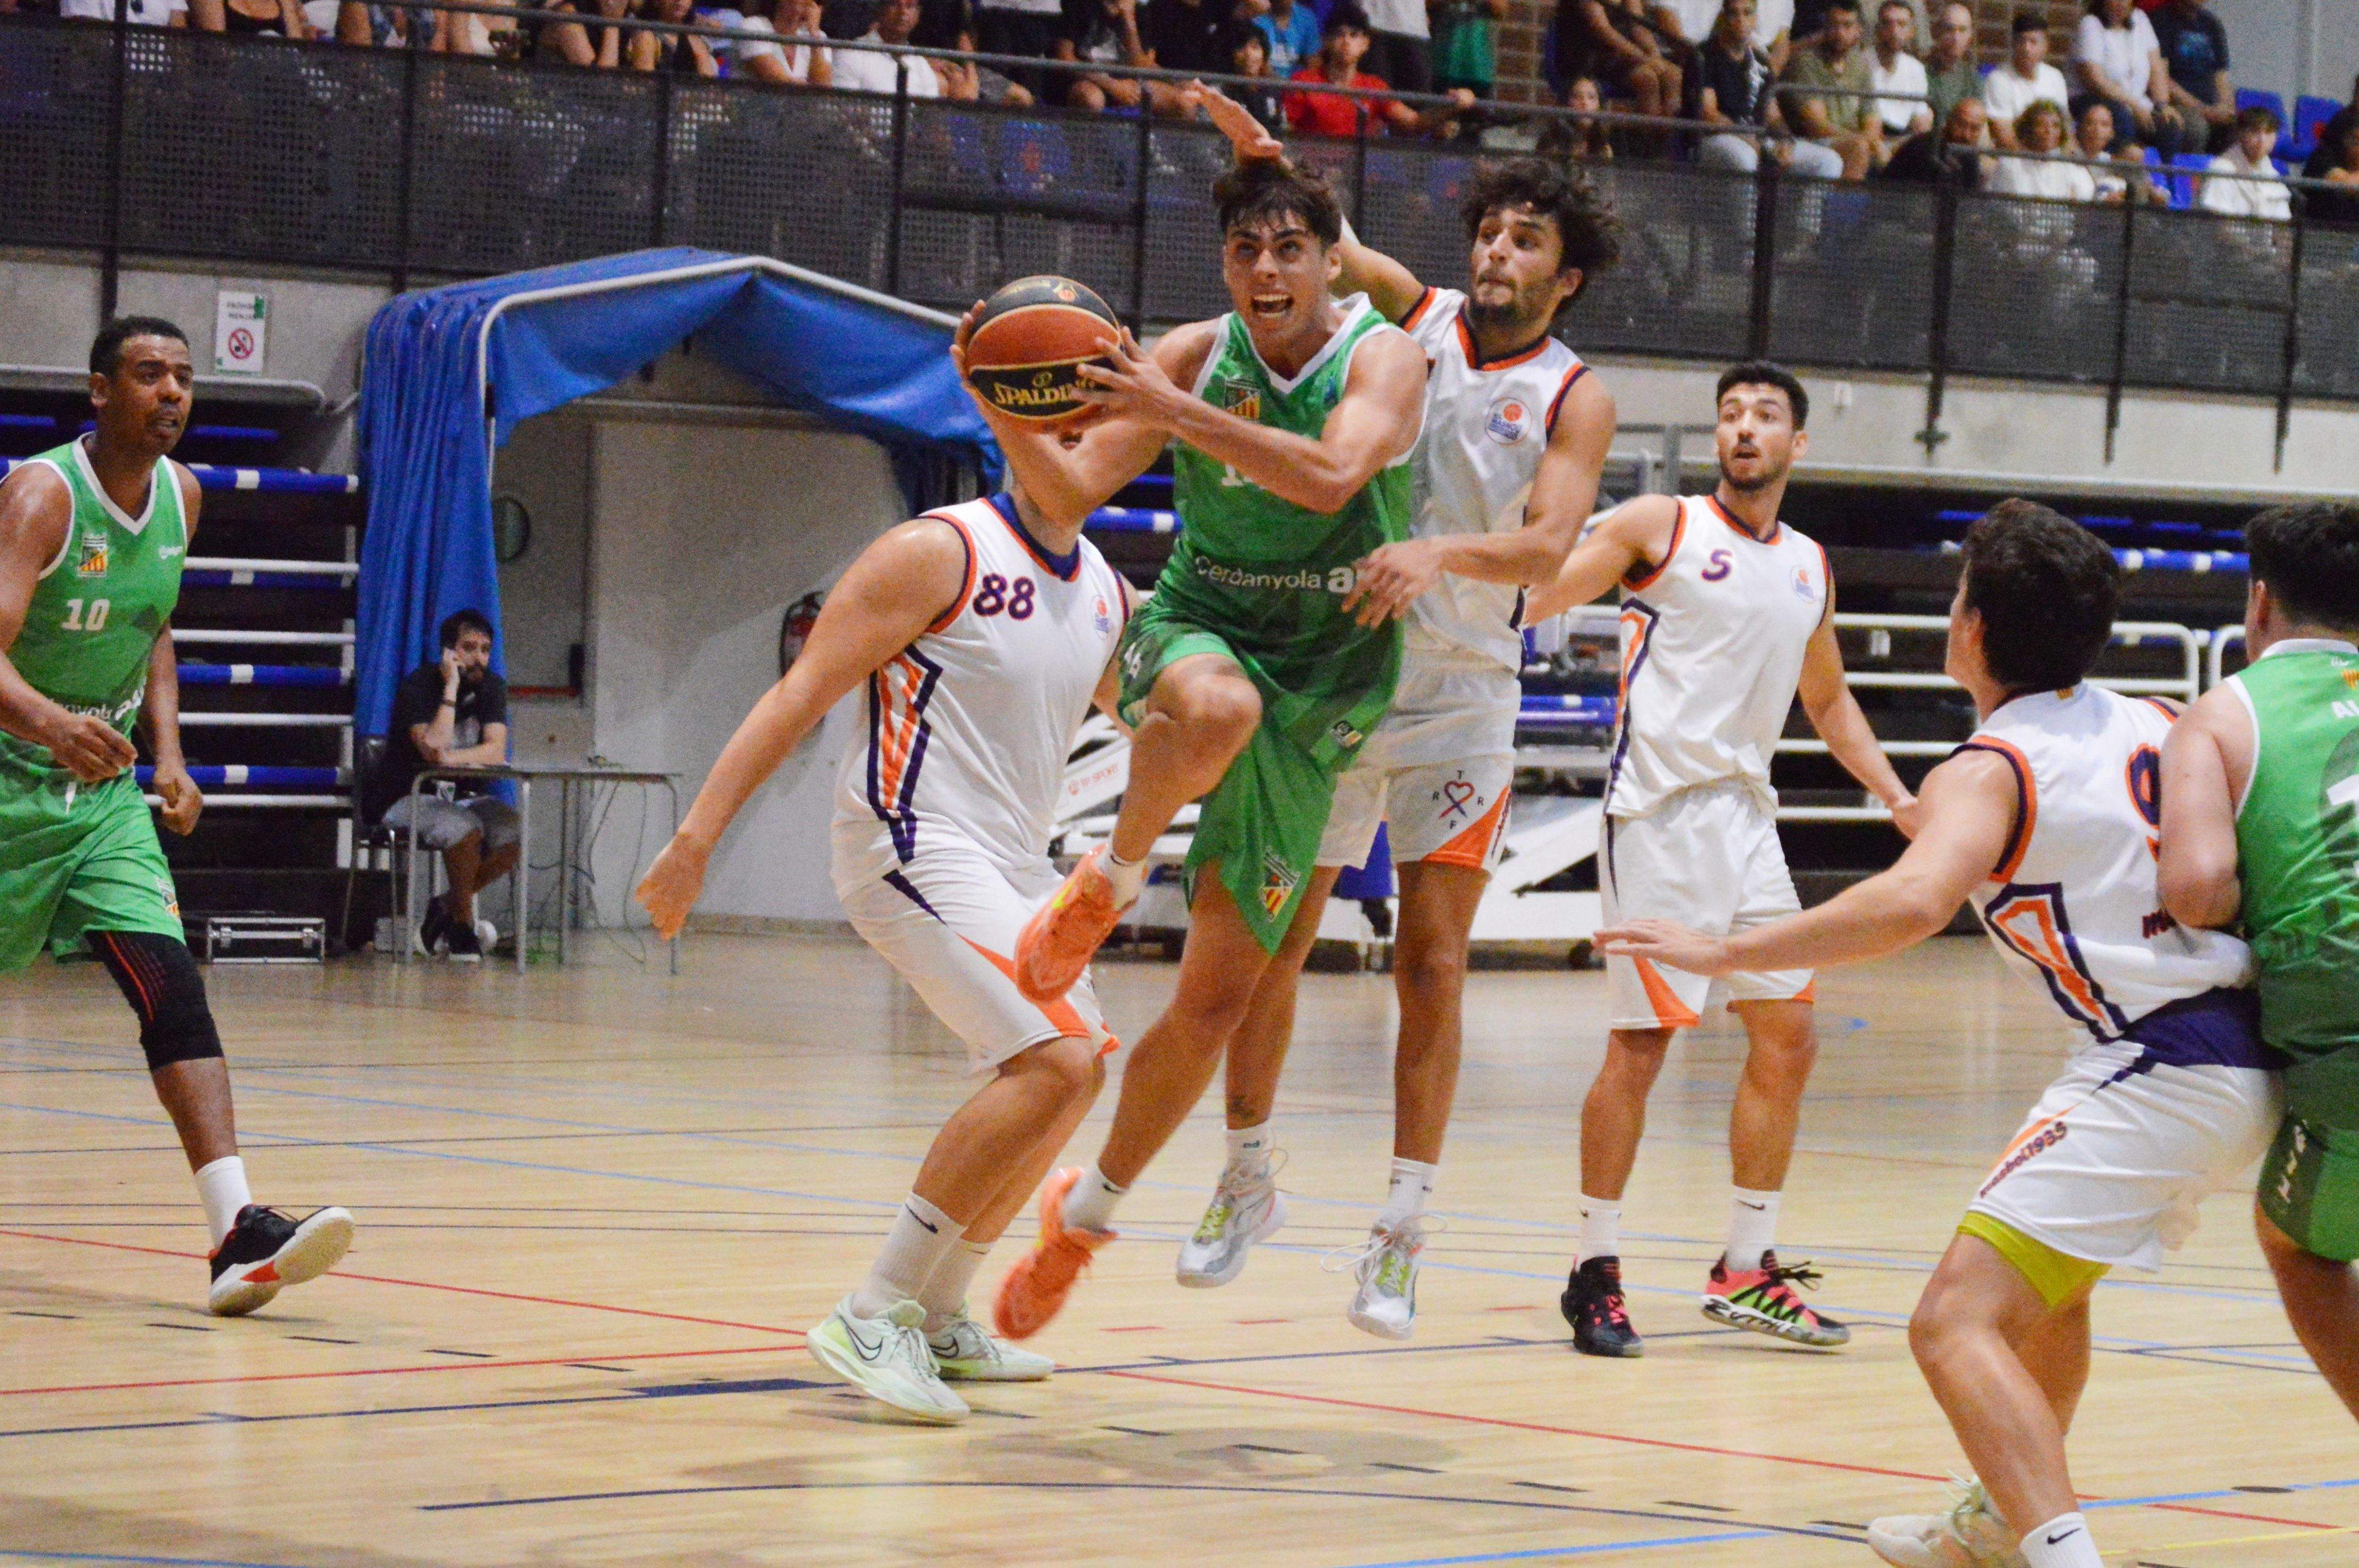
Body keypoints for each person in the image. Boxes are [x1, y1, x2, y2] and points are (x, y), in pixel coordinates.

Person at [1606, 500, 2279, 1568]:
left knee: (1950, 1322)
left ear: (1968, 628)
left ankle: (2062, 1558)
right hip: (2242, 1048)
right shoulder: (2160, 718)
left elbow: (1915, 900)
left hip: (2160, 1059)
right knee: (2046, 1295)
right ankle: (1995, 1525)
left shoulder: (1992, 765)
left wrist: (1723, 949)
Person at [977, 159, 1432, 1341]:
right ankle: (1114, 872)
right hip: (1200, 627)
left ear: (1332, 260)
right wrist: (1001, 408)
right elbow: (1069, 491)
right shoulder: (1187, 352)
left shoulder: (1384, 356)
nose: (1266, 268)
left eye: (1289, 248)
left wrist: (1170, 411)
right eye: (1245, 250)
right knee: (1217, 710)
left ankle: (1086, 1216)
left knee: (1222, 993)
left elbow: (1336, 473)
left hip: (1329, 674)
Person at [1196, 102, 1622, 1337]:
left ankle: (1401, 1228)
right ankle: (1246, 1172)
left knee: (1434, 967)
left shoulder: (1574, 394)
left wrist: (1437, 551)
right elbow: (1324, 240)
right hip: (1343, 670)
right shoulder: (1420, 318)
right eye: (1487, 232)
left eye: (1524, 239)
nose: (1495, 252)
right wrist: (1261, 158)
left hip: (1464, 698)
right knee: (1278, 943)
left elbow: (1548, 545)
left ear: (1566, 272)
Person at [636, 469, 1130, 1424]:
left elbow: (1151, 714)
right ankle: (873, 1309)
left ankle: (937, 1313)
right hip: (910, 842)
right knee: (1052, 1055)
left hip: (1018, 866)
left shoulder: (1103, 585)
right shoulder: (936, 551)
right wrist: (694, 843)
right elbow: (800, 694)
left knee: (1076, 1073)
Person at [1524, 362, 1920, 1358]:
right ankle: (1593, 1268)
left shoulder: (1808, 565)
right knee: (1642, 1046)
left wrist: (1898, 793)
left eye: (1766, 416)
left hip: (1748, 817)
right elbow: (1540, 594)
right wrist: (1504, 574)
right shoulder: (1661, 524)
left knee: (1787, 1034)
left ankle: (1747, 1267)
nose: (1744, 429)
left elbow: (1826, 702)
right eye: (1731, 415)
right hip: (1656, 813)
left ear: (1797, 444)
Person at [0, 318, 354, 1317]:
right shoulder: (40, 494)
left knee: (170, 983)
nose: (172, 393)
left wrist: (169, 754)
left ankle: (236, 1232)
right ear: (100, 391)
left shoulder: (183, 496)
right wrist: (47, 721)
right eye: (149, 374)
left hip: (102, 795)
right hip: (7, 772)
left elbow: (154, 630)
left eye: (185, 379)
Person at [2158, 502, 2359, 1427]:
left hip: (2344, 1033)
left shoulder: (2222, 713)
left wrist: (2268, 885)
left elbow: (2194, 889)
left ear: (2260, 601)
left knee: (2297, 1244)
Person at [370, 609, 518, 963]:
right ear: (448, 652)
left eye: (485, 649)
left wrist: (451, 759)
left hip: (458, 795)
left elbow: (496, 750)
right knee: (464, 830)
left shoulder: (492, 687)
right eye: (468, 648)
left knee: (512, 833)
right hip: (403, 794)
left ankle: (447, 906)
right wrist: (451, 689)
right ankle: (463, 925)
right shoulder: (419, 687)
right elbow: (433, 744)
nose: (478, 657)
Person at [1695, 0, 1843, 179]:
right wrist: (1748, 138)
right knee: (1745, 158)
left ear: (1755, 19)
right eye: (1734, 14)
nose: (1741, 20)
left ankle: (1794, 209)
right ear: (1722, 18)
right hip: (1717, 137)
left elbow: (1774, 116)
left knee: (1828, 161)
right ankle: (1744, 209)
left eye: (1747, 13)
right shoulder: (1704, 56)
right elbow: (1709, 115)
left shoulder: (1761, 61)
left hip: (1759, 139)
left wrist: (1785, 142)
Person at [1286, 4, 1476, 138]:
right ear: (1326, 41)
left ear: (1365, 44)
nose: (1346, 42)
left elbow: (1415, 123)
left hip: (1358, 176)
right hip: (1313, 173)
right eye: (1339, 35)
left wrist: (1453, 106)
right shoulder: (1303, 82)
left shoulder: (1374, 87)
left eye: (1354, 35)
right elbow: (1288, 133)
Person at [1779, 0, 1880, 179]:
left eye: (1847, 25)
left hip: (1854, 138)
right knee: (1859, 148)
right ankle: (1842, 208)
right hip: (1813, 142)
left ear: (1859, 30)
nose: (1840, 33)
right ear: (1825, 27)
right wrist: (1863, 140)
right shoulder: (1807, 62)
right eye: (1834, 25)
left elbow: (1872, 119)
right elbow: (1816, 125)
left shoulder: (1861, 65)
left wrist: (1871, 140)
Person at [2068, 0, 2180, 157]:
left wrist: (2162, 105)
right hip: (2095, 99)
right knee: (2122, 116)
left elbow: (2156, 66)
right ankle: (2124, 169)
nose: (2121, 3)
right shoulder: (2090, 24)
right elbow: (2094, 80)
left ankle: (2166, 178)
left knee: (2169, 124)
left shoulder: (2140, 20)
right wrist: (2133, 105)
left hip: (2137, 103)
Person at [1559, 0, 1684, 128]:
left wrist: (1655, 55)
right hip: (1590, 57)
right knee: (1647, 79)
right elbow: (1603, 30)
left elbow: (1639, 26)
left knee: (1674, 75)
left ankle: (1669, 137)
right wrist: (1646, 60)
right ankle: (1651, 140)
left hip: (1624, 57)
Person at [2149, 0, 2233, 153]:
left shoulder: (2212, 24)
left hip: (2211, 106)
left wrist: (2226, 107)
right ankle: (2191, 176)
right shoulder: (2160, 21)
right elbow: (2162, 78)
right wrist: (2201, 109)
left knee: (2240, 129)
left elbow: (2221, 76)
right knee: (2196, 128)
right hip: (2178, 105)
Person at [1983, 10, 2069, 153]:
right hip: (2017, 160)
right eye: (2021, 41)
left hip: (2054, 160)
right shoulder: (1998, 79)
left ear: (2046, 46)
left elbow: (2065, 130)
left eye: (2033, 42)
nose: (2026, 49)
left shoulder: (2055, 78)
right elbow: (2004, 136)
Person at [1988, 101, 2099, 204]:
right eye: (2041, 125)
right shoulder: (2010, 165)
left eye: (2055, 126)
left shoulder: (2068, 166)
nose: (2049, 131)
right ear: (2028, 129)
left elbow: (2086, 195)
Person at [2197, 103, 2292, 221]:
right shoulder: (2221, 170)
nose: (2262, 140)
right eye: (2255, 132)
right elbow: (2218, 227)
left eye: (2268, 132)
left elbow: (2282, 228)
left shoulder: (2274, 176)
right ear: (2241, 134)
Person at [1880, 93, 1984, 185]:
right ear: (1949, 121)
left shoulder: (1970, 156)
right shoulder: (1920, 148)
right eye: (1961, 125)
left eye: (1975, 129)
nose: (1966, 135)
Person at [1867, 0, 1930, 142]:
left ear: (1912, 32)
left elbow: (1921, 118)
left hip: (1905, 141)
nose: (1894, 31)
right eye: (1888, 23)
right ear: (1878, 29)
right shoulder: (1862, 64)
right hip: (1872, 139)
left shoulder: (1916, 69)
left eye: (1901, 24)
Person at [1920, 1, 1979, 132]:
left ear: (1970, 37)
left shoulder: (1973, 79)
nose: (1956, 38)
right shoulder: (1920, 72)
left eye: (1962, 30)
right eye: (1949, 29)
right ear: (1936, 32)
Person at [1543, 74, 1618, 162]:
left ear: (1599, 105)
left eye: (1591, 98)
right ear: (1566, 103)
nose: (1585, 103)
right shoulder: (1551, 143)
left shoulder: (1608, 145)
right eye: (1577, 97)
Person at [1250, 0, 1320, 79]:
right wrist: (1283, 85)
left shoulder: (1306, 18)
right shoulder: (1258, 17)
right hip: (1265, 82)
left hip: (1298, 84)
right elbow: (1259, 63)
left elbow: (1313, 62)